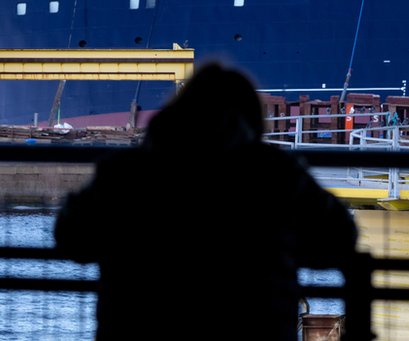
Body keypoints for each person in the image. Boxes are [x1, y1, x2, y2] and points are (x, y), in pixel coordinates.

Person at [53, 63, 359, 340]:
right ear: (251, 117)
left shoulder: (127, 171)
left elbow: (71, 237)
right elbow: (341, 236)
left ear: (179, 110)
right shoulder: (276, 172)